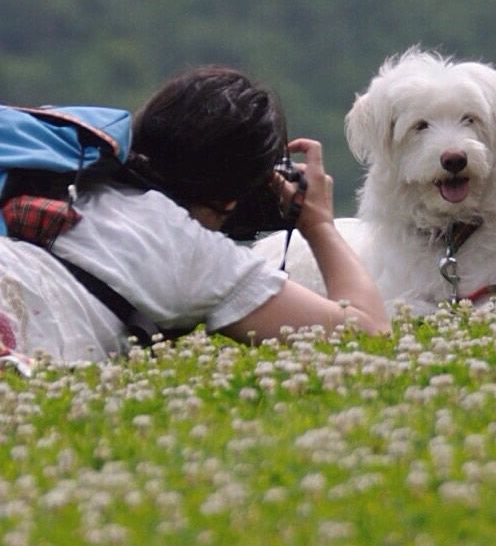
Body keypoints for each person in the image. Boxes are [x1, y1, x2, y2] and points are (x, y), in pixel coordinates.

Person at [0, 66, 388, 366]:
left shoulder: (72, 168)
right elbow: (369, 335)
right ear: (234, 194)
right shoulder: (194, 254)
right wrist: (318, 223)